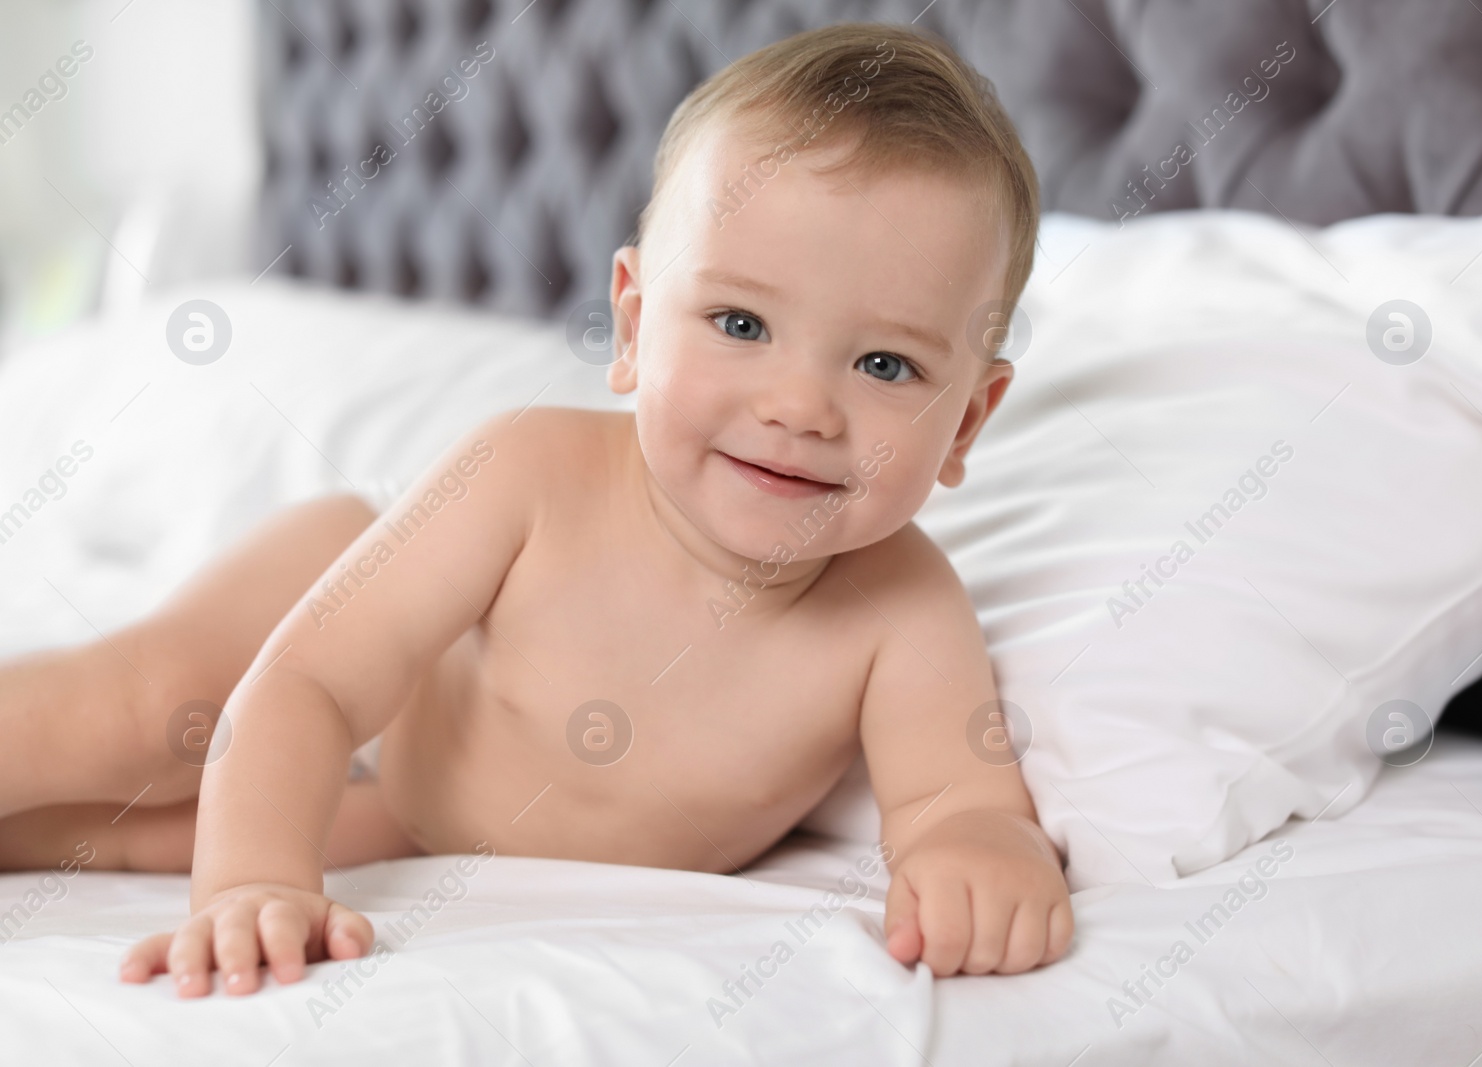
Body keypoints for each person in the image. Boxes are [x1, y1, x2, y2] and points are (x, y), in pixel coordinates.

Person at [0, 22, 1072, 996]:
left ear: (966, 422)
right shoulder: (528, 472)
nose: (798, 406)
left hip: (430, 814)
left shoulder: (902, 606)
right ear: (633, 324)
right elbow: (313, 685)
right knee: (141, 713)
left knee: (123, 840)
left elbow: (954, 800)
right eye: (739, 323)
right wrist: (250, 883)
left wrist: (979, 850)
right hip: (336, 620)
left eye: (885, 362)